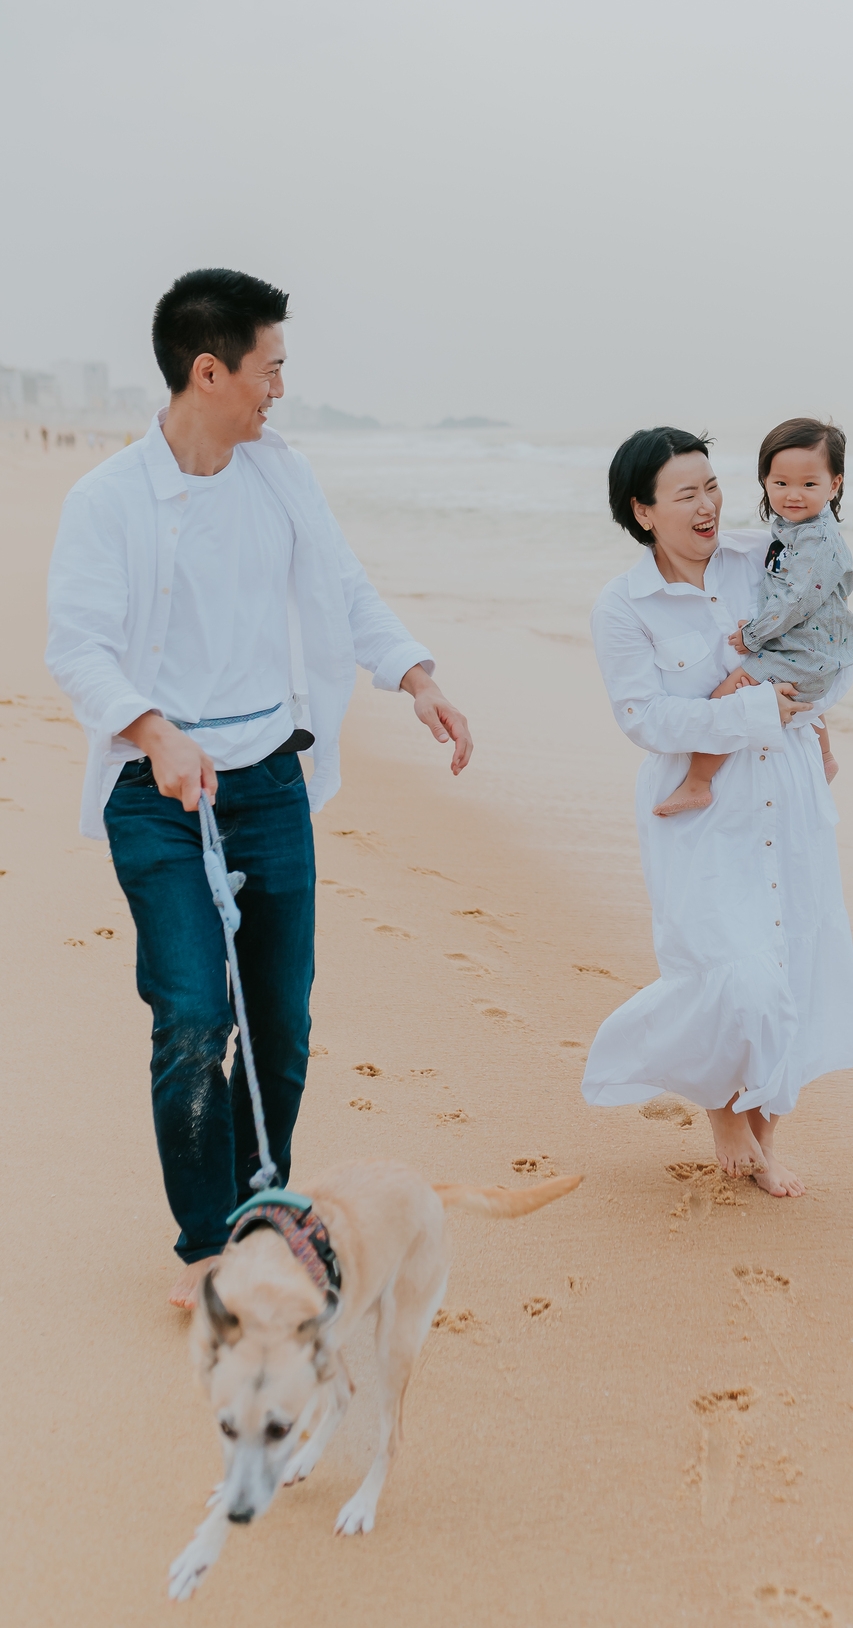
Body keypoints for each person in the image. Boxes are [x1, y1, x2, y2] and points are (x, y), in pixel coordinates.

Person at [46, 268, 472, 1308]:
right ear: (210, 370)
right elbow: (80, 647)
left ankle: (254, 1213)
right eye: (270, 366)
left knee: (278, 1022)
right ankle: (205, 1249)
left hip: (269, 782)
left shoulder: (281, 476)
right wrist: (152, 728)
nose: (281, 386)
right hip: (160, 794)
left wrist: (414, 674)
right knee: (193, 1014)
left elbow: (343, 586)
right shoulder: (108, 500)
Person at [582, 427, 853, 1195]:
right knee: (730, 970)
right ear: (644, 513)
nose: (708, 505)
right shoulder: (623, 605)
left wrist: (797, 709)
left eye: (712, 486)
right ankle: (719, 1103)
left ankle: (765, 1135)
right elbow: (645, 720)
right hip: (698, 811)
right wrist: (751, 712)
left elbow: (827, 659)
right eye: (685, 494)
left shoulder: (767, 558)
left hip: (788, 791)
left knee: (794, 968)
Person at [653, 417, 853, 816]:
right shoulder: (793, 529)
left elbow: (797, 600)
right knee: (804, 701)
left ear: (834, 484)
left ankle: (698, 782)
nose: (793, 495)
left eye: (809, 484)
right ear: (764, 482)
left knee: (729, 694)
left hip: (803, 648)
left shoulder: (817, 540)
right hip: (810, 645)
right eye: (780, 483)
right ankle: (824, 758)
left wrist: (752, 635)